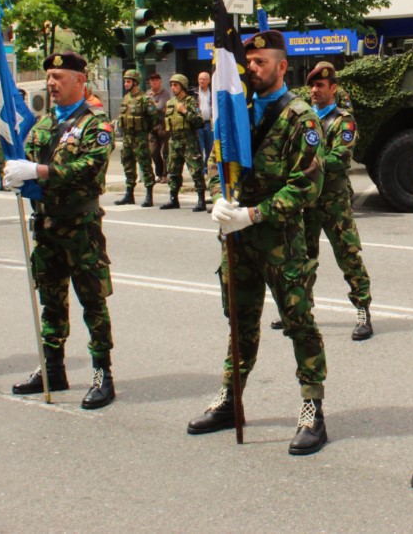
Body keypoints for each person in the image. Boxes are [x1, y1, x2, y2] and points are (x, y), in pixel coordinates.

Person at [191, 30, 328, 455]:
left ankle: (312, 408)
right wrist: (217, 196)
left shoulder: (300, 117)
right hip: (237, 241)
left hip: (279, 241)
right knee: (239, 322)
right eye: (248, 62)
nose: (252, 68)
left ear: (282, 67)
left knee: (298, 323)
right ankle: (232, 399)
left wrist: (254, 214)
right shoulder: (237, 107)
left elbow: (307, 185)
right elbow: (218, 158)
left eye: (261, 62)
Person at [4, 52, 117, 409]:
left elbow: (89, 167)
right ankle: (52, 368)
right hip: (47, 225)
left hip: (80, 227)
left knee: (92, 301)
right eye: (49, 76)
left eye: (59, 77)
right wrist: (16, 175)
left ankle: (102, 373)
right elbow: (26, 160)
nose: (52, 83)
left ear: (80, 81)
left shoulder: (95, 123)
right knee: (51, 301)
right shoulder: (43, 125)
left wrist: (40, 172)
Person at [303, 62, 374, 341]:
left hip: (334, 201)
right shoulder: (306, 118)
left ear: (333, 88)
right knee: (303, 257)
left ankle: (363, 311)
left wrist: (306, 164)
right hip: (307, 199)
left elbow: (340, 158)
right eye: (311, 85)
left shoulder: (343, 121)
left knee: (348, 256)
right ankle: (301, 310)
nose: (314, 90)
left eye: (320, 85)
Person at [159, 73, 208, 212]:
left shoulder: (191, 102)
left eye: (176, 85)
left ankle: (201, 200)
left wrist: (185, 111)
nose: (173, 88)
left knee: (196, 171)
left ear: (183, 86)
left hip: (189, 140)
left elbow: (199, 122)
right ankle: (173, 199)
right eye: (172, 85)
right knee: (173, 171)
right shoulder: (170, 103)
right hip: (174, 140)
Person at [115, 69, 158, 207]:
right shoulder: (126, 98)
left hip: (140, 137)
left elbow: (154, 118)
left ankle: (149, 195)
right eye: (125, 81)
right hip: (127, 137)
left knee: (145, 164)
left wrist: (146, 130)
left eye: (128, 81)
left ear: (135, 82)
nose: (125, 84)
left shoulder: (145, 99)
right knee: (127, 164)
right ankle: (129, 194)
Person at [146, 72, 171, 181]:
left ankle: (165, 174)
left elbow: (160, 107)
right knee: (153, 151)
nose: (154, 82)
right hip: (152, 126)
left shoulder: (165, 93)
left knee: (165, 151)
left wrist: (151, 105)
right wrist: (153, 105)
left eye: (157, 80)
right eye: (152, 80)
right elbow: (145, 107)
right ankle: (159, 172)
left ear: (160, 81)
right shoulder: (147, 93)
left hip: (163, 125)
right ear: (150, 82)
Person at [196, 71, 214, 167]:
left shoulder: (213, 92)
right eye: (200, 79)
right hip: (198, 124)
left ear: (209, 80)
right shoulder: (194, 92)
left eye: (204, 79)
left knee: (209, 147)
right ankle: (201, 170)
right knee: (199, 148)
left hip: (209, 123)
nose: (201, 81)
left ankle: (207, 168)